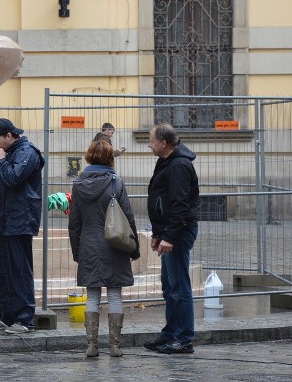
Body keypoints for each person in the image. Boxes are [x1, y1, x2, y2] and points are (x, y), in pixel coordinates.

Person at [69, 140, 139, 358]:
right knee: (115, 294)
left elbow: (74, 224)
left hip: (89, 244)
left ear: (89, 157)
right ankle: (115, 345)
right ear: (110, 157)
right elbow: (128, 217)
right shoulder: (116, 183)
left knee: (92, 296)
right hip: (115, 243)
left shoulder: (78, 184)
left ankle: (92, 345)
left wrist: (77, 252)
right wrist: (133, 248)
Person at [0, 118, 45, 335]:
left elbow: (14, 178)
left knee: (19, 271)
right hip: (5, 220)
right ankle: (7, 316)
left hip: (20, 221)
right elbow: (7, 185)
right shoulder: (12, 154)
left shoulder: (27, 152)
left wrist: (1, 162)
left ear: (9, 135)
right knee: (4, 271)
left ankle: (25, 319)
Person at [144, 122, 200, 354]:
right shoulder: (167, 161)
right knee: (169, 286)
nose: (149, 144)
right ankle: (170, 333)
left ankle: (184, 338)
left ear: (164, 143)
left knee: (179, 287)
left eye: (152, 140)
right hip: (169, 232)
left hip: (178, 232)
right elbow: (163, 201)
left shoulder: (178, 165)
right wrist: (159, 234)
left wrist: (168, 236)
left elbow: (179, 205)